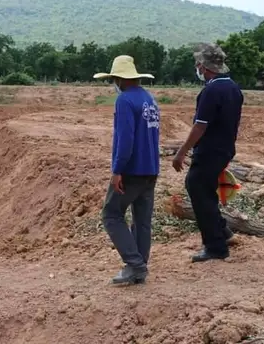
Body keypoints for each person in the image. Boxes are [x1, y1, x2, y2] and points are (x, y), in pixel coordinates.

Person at [172, 43, 243, 262]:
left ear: (204, 66)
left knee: (197, 188)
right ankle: (223, 232)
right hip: (225, 148)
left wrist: (181, 152)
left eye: (198, 64)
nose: (197, 68)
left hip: (210, 150)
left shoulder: (211, 90)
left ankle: (215, 247)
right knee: (205, 189)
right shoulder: (233, 87)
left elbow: (200, 126)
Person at [93, 55, 160, 285]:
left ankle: (135, 264)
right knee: (142, 220)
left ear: (120, 79)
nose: (114, 83)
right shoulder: (149, 99)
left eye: (114, 79)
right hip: (150, 169)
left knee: (111, 214)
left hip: (132, 170)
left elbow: (125, 140)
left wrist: (117, 170)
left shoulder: (124, 101)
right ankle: (140, 266)